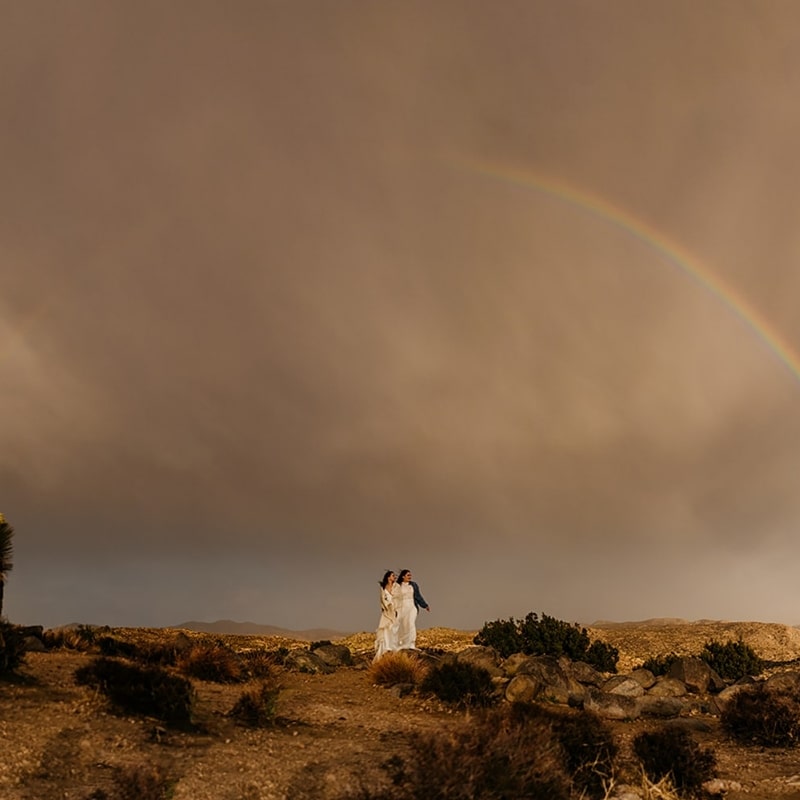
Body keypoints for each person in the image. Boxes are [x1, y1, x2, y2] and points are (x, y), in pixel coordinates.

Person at [393, 569, 430, 650]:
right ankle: (402, 643)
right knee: (402, 625)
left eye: (410, 575)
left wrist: (425, 605)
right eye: (408, 575)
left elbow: (418, 596)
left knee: (411, 623)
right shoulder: (397, 585)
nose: (410, 577)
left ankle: (411, 643)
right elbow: (394, 597)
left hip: (412, 606)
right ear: (403, 576)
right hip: (402, 607)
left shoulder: (413, 585)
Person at [374, 570, 398, 661]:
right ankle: (384, 650)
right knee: (385, 629)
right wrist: (387, 606)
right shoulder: (383, 587)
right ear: (388, 577)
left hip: (394, 610)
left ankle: (392, 649)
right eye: (393, 576)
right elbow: (382, 599)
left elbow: (399, 598)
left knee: (393, 629)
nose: (394, 577)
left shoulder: (396, 587)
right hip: (387, 611)